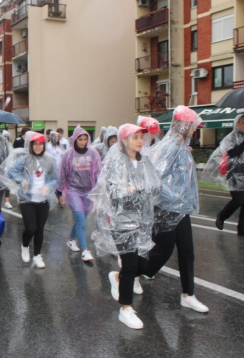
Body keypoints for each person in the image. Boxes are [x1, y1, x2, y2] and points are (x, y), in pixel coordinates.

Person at [90, 124, 161, 329]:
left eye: (141, 137)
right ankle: (126, 309)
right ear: (124, 140)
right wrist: (125, 189)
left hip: (143, 221)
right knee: (130, 264)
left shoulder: (145, 161)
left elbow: (156, 185)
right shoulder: (116, 162)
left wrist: (140, 188)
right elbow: (111, 190)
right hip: (122, 221)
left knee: (142, 265)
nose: (140, 141)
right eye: (135, 137)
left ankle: (116, 277)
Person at [140, 106, 209, 314]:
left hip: (181, 210)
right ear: (184, 125)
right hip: (167, 210)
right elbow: (156, 179)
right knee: (162, 252)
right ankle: (126, 274)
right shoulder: (170, 147)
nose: (195, 130)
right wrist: (176, 198)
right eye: (193, 126)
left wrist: (187, 201)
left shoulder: (182, 148)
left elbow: (187, 182)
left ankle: (188, 295)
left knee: (187, 251)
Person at [0, 132, 58, 269]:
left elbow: (54, 179)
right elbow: (11, 172)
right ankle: (24, 245)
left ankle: (37, 255)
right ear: (31, 145)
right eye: (35, 144)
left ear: (44, 145)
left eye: (40, 144)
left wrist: (48, 186)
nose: (38, 146)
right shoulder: (24, 159)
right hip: (27, 198)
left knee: (40, 229)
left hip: (43, 200)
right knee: (31, 228)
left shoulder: (49, 159)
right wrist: (21, 180)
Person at [56, 125, 102, 261]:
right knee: (81, 220)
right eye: (79, 139)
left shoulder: (93, 153)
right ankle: (85, 250)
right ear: (75, 139)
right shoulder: (68, 154)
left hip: (88, 190)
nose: (82, 142)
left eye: (84, 139)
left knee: (82, 218)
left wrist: (100, 188)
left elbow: (99, 172)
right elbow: (62, 174)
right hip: (73, 191)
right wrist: (59, 193)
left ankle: (71, 239)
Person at [204, 114, 244, 235]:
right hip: (234, 173)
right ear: (236, 124)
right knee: (239, 200)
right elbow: (231, 152)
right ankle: (222, 215)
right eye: (243, 123)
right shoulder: (231, 137)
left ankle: (242, 230)